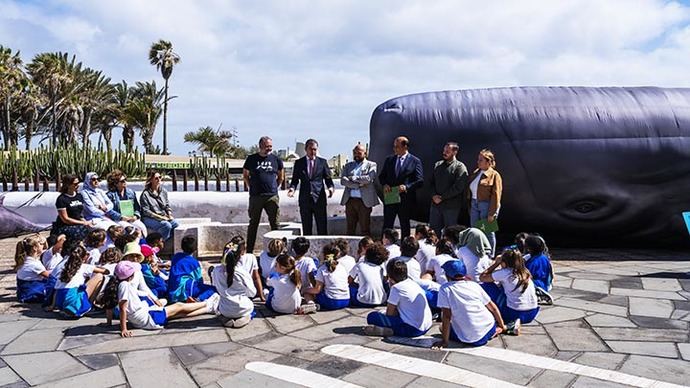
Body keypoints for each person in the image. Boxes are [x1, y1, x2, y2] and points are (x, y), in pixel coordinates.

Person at [111, 261, 211, 337]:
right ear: (130, 275)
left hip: (142, 317)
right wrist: (124, 329)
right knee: (179, 306)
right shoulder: (125, 286)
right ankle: (206, 303)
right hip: (147, 317)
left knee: (179, 313)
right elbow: (123, 308)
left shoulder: (122, 284)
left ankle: (208, 307)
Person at [432, 260, 505, 349]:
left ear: (447, 275)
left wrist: (444, 341)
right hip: (490, 327)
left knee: (441, 328)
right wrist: (502, 325)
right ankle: (491, 334)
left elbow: (447, 316)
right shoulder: (474, 285)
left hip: (472, 339)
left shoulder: (445, 289)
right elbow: (493, 307)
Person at [364, 259, 432, 337]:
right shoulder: (413, 283)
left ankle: (391, 331)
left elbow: (390, 313)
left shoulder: (396, 288)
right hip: (426, 326)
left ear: (390, 277)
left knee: (372, 317)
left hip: (412, 329)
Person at [479, 249, 539, 335]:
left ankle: (508, 323)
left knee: (487, 285)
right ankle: (512, 323)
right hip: (532, 313)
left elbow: (482, 277)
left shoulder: (505, 272)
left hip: (514, 313)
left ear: (504, 262)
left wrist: (496, 263)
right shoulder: (525, 272)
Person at [243, 136, 285, 252]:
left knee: (275, 224)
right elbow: (246, 175)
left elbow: (281, 177)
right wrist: (251, 186)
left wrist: (274, 187)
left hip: (271, 196)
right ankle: (249, 251)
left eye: (270, 146)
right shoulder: (251, 159)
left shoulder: (276, 159)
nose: (269, 149)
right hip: (256, 196)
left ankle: (278, 249)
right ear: (260, 146)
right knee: (253, 223)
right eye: (267, 146)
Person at [378, 136, 424, 238]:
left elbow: (420, 180)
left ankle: (405, 247)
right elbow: (382, 176)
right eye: (394, 146)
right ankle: (385, 245)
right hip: (391, 195)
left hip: (405, 198)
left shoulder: (415, 161)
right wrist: (385, 184)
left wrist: (407, 187)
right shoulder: (389, 160)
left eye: (397, 147)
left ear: (405, 147)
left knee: (404, 224)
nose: (394, 149)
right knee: (387, 224)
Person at [288, 139, 334, 235]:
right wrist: (292, 189)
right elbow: (295, 180)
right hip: (305, 200)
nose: (313, 152)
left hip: (319, 199)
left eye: (315, 149)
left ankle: (323, 249)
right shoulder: (299, 163)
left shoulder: (322, 162)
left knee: (322, 227)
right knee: (306, 228)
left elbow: (328, 179)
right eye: (311, 149)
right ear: (306, 149)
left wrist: (330, 188)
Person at [209, 241, 256, 328]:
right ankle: (246, 317)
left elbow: (216, 287)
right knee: (251, 308)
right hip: (242, 307)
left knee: (221, 307)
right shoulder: (242, 273)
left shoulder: (216, 271)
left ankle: (225, 318)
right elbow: (252, 293)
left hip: (225, 309)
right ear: (239, 256)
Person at [54, 245, 109, 318]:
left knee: (75, 288)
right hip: (73, 298)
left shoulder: (64, 267)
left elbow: (56, 289)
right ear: (84, 257)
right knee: (99, 276)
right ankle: (89, 305)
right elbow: (106, 271)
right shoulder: (84, 267)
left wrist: (52, 305)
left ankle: (66, 307)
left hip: (60, 299)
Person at [468, 149, 503, 256]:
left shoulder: (494, 175)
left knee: (488, 231)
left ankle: (490, 255)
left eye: (481, 160)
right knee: (475, 230)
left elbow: (496, 195)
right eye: (478, 160)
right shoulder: (476, 172)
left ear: (488, 162)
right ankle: (477, 252)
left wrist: (492, 213)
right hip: (475, 204)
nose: (478, 162)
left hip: (486, 205)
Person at [429, 142, 468, 236]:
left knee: (450, 233)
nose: (444, 153)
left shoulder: (460, 167)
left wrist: (442, 197)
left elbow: (458, 187)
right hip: (436, 206)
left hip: (451, 207)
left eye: (447, 151)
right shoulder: (438, 165)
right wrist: (434, 195)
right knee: (433, 232)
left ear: (455, 152)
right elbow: (431, 182)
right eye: (444, 150)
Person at [340, 144, 379, 236]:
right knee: (350, 228)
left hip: (364, 202)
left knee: (365, 228)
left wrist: (353, 178)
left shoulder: (371, 165)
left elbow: (368, 179)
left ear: (365, 153)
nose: (356, 155)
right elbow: (343, 180)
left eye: (359, 153)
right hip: (350, 201)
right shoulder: (348, 165)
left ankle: (367, 249)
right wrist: (357, 185)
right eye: (354, 153)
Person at [167, 236, 216, 303]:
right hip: (186, 289)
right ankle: (198, 299)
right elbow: (199, 279)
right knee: (212, 289)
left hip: (172, 290)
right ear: (195, 249)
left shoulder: (176, 257)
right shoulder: (194, 262)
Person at [304, 243, 350, 310]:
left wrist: (305, 290)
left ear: (324, 255)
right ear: (337, 254)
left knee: (307, 292)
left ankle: (312, 305)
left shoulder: (322, 269)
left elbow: (317, 290)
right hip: (346, 300)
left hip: (332, 302)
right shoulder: (342, 267)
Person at [106, 169, 147, 236]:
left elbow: (137, 207)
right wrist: (121, 217)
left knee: (142, 228)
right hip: (119, 219)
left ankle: (142, 245)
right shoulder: (110, 195)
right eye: (122, 181)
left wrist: (136, 216)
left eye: (125, 180)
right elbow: (109, 210)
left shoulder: (131, 193)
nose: (125, 182)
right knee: (130, 230)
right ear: (116, 183)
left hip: (131, 218)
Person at [140, 170, 178, 241]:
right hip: (149, 218)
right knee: (167, 225)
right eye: (156, 178)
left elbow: (166, 205)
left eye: (160, 177)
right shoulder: (145, 194)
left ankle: (163, 241)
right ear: (151, 180)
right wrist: (160, 217)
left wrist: (169, 214)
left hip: (162, 216)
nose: (159, 180)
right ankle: (156, 243)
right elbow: (146, 211)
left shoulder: (163, 191)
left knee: (175, 224)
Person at [53, 174, 92, 241]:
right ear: (68, 185)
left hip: (78, 223)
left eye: (78, 183)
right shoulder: (62, 199)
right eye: (75, 184)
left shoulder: (79, 196)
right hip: (65, 225)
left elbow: (80, 214)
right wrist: (82, 223)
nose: (78, 185)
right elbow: (65, 219)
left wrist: (86, 222)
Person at [349, 242, 388, 307]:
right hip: (380, 301)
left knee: (350, 288)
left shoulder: (360, 265)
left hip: (362, 301)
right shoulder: (380, 268)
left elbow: (349, 280)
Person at [15, 235, 50, 303]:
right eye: (41, 244)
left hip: (23, 293)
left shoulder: (24, 260)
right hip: (32, 295)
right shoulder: (34, 264)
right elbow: (50, 276)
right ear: (35, 248)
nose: (43, 246)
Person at [524, 234, 554, 305]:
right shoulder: (544, 257)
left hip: (536, 284)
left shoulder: (532, 262)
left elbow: (527, 276)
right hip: (544, 283)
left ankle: (537, 293)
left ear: (529, 248)